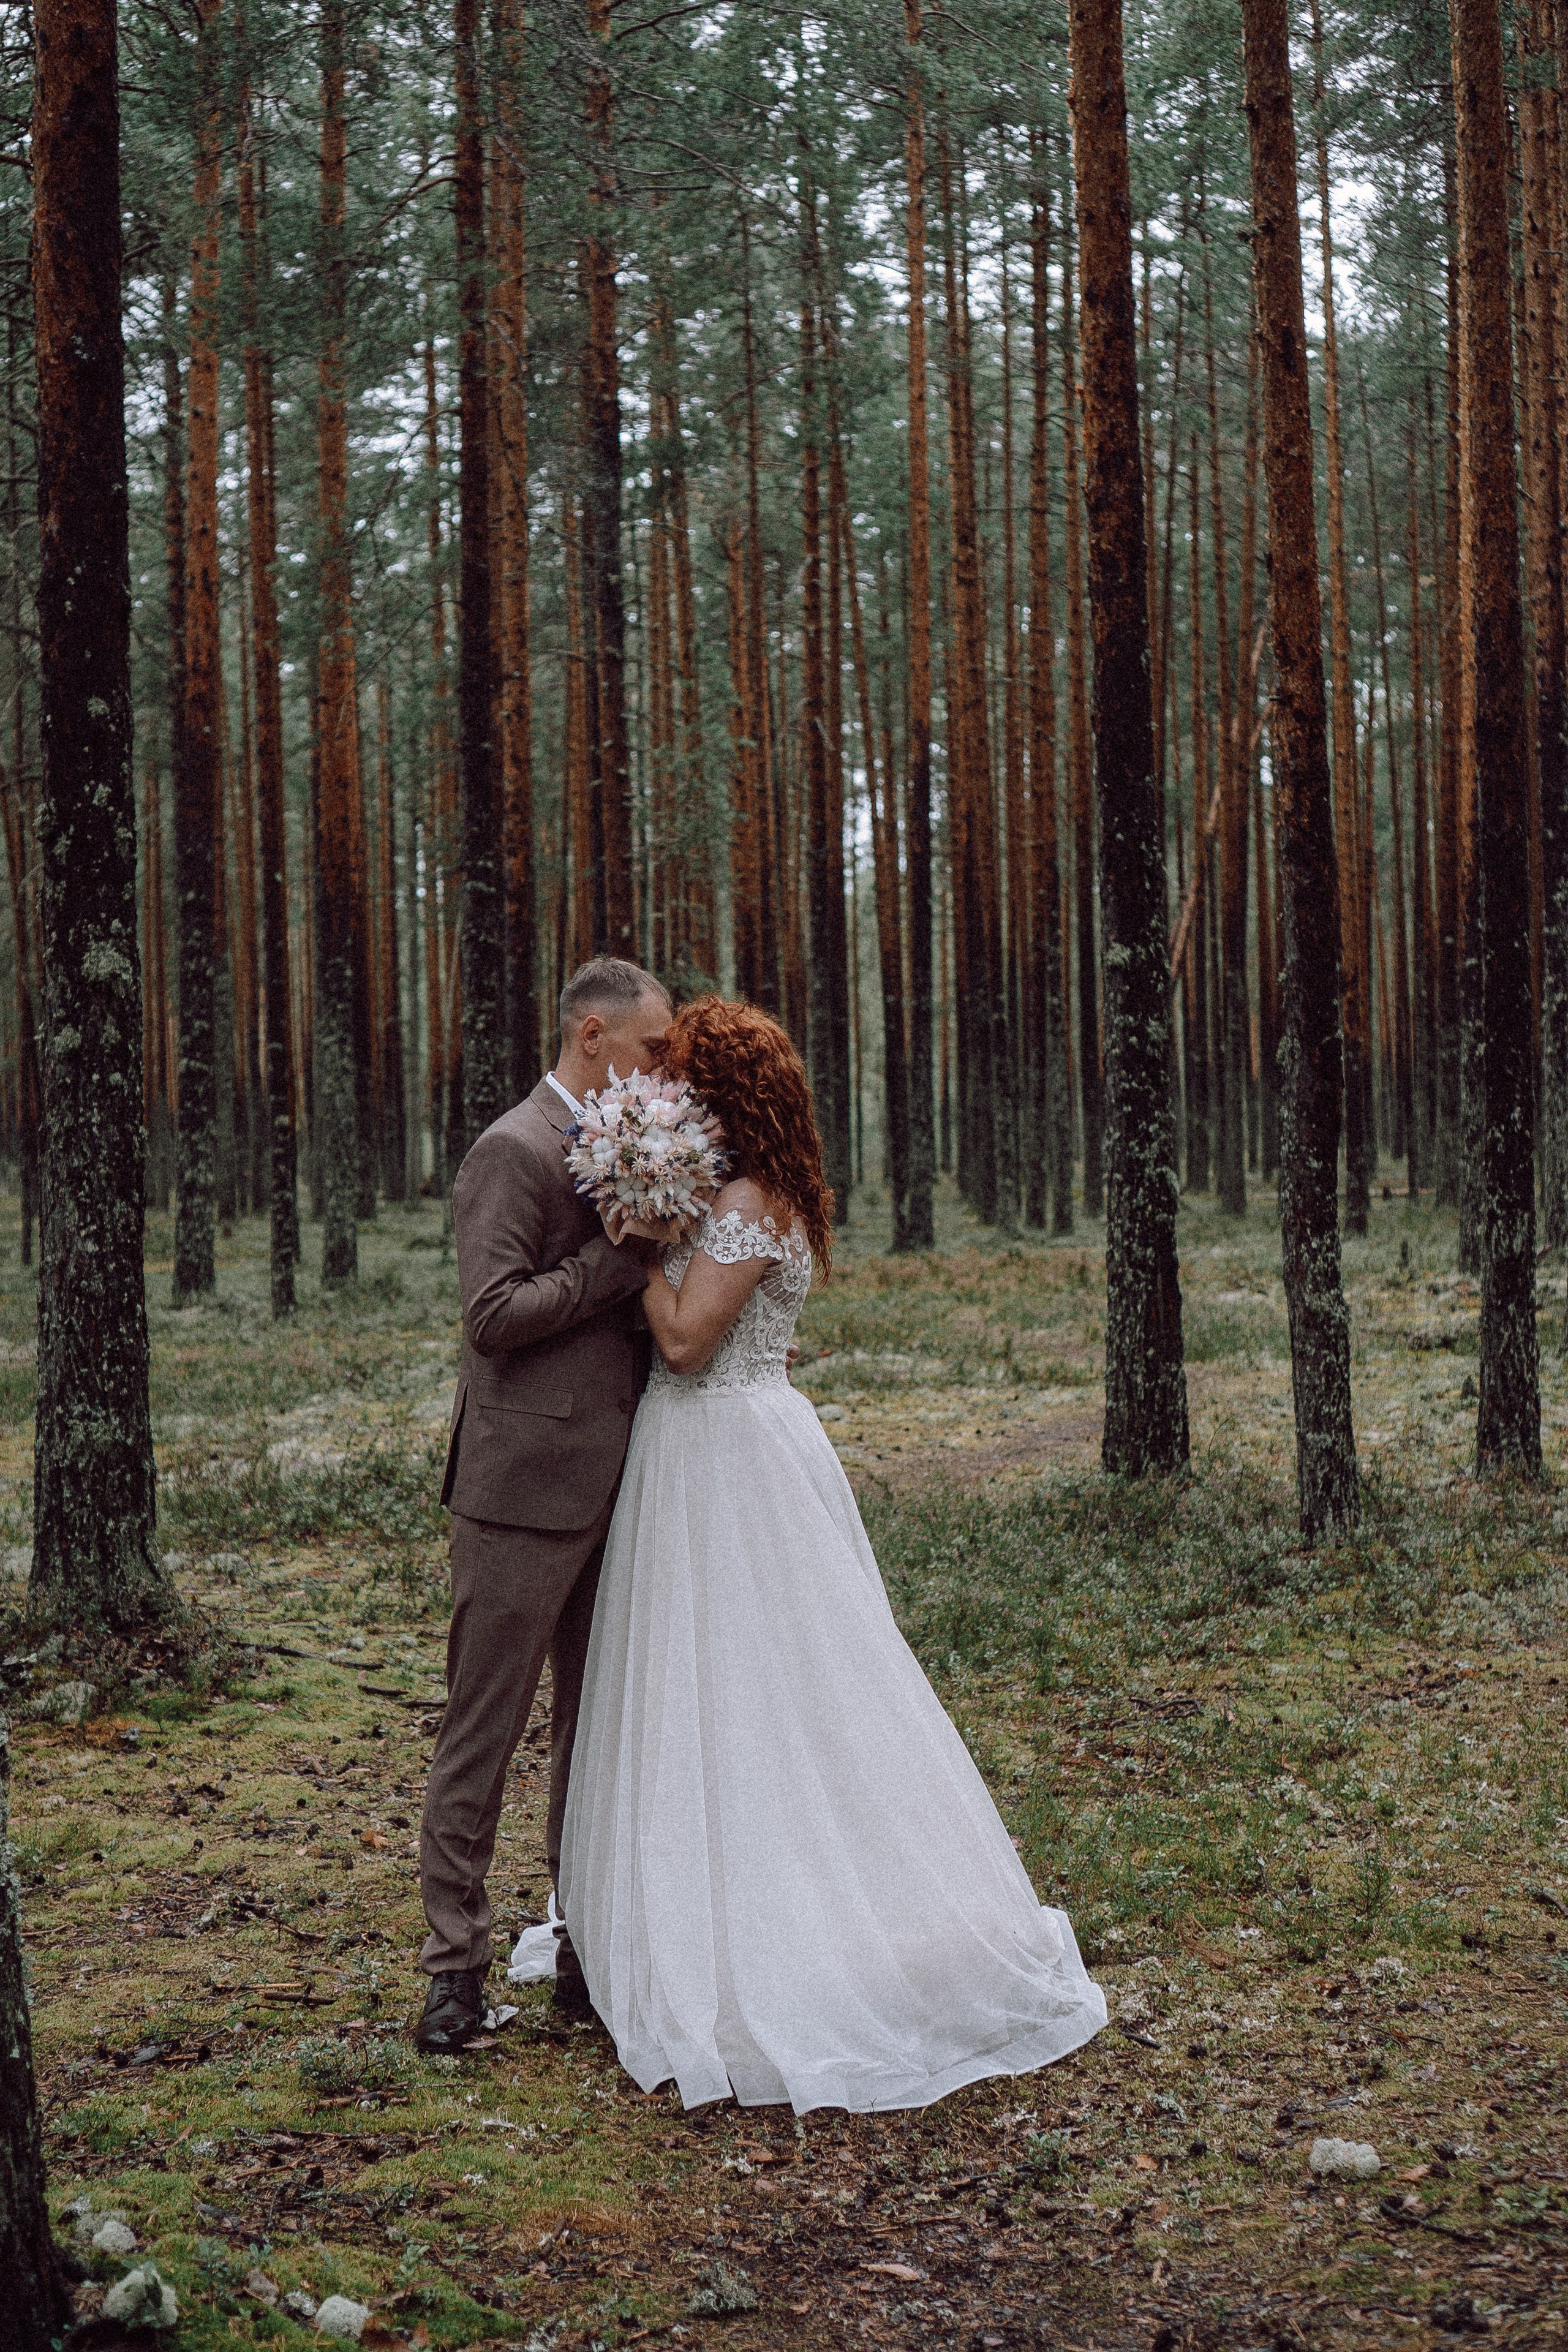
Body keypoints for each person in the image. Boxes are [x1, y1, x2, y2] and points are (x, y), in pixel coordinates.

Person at [560, 997, 1107, 2113]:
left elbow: (684, 1340)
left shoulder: (753, 1203)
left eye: (687, 1081)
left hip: (724, 1455)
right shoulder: (763, 1196)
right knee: (717, 1684)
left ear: (726, 1097)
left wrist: (636, 1244)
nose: (672, 1098)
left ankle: (777, 1927)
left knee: (770, 1686)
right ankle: (705, 1887)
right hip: (723, 1446)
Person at [413, 956, 671, 2054]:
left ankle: (582, 1948)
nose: (661, 1072)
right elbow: (492, 1314)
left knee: (594, 1731)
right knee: (485, 1729)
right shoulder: (511, 1151)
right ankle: (453, 1975)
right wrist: (615, 1269)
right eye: (652, 1050)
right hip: (518, 1495)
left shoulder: (633, 1149)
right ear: (593, 1034)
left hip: (624, 1485)